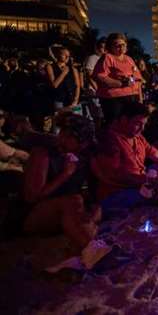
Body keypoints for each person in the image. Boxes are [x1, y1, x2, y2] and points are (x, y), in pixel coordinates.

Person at [21, 113, 109, 268]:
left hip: (66, 214)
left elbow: (93, 188)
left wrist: (96, 209)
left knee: (85, 216)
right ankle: (94, 253)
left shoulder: (83, 156)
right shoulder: (44, 154)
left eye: (69, 137)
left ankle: (76, 260)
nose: (62, 139)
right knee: (74, 200)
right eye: (62, 133)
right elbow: (31, 197)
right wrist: (64, 175)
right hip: (34, 215)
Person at [93, 33, 142, 122]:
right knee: (114, 125)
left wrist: (139, 98)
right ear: (110, 47)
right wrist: (121, 83)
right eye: (117, 45)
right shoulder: (108, 57)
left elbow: (137, 78)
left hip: (131, 96)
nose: (121, 47)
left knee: (129, 124)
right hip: (113, 99)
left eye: (123, 45)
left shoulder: (129, 59)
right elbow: (99, 76)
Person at [46, 46, 81, 111]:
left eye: (68, 55)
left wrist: (76, 100)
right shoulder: (50, 66)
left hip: (73, 101)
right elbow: (54, 85)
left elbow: (78, 86)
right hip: (59, 100)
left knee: (76, 118)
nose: (67, 57)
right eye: (64, 54)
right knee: (61, 119)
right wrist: (64, 73)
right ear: (58, 54)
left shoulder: (73, 69)